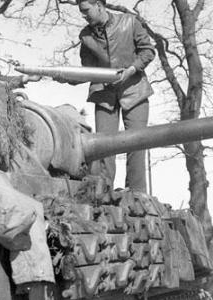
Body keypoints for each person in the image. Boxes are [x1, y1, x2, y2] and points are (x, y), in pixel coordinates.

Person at [71, 0, 155, 192]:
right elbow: (87, 70)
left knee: (137, 144)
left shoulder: (130, 22)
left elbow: (148, 51)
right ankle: (102, 193)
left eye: (86, 11)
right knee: (104, 147)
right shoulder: (85, 35)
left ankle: (137, 195)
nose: (84, 15)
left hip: (134, 91)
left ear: (99, 5)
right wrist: (59, 76)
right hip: (104, 94)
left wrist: (132, 69)